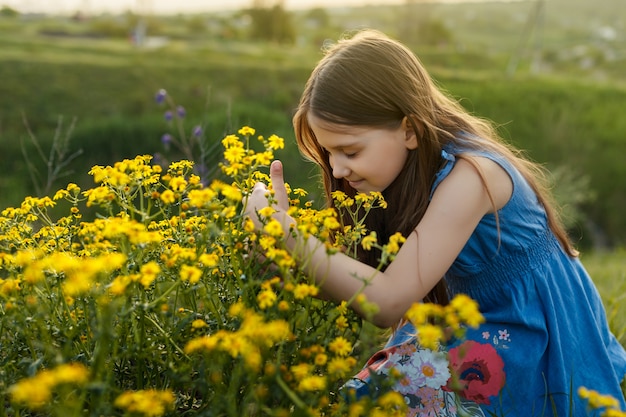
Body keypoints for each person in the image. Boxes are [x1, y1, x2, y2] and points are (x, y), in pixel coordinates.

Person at [244, 29, 626, 416]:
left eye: (350, 151)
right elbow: (361, 282)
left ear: (409, 129)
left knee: (390, 404)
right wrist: (278, 258)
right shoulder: (396, 173)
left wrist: (285, 231)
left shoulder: (472, 177)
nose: (338, 169)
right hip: (465, 319)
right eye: (328, 153)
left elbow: (388, 301)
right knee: (365, 402)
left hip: (527, 331)